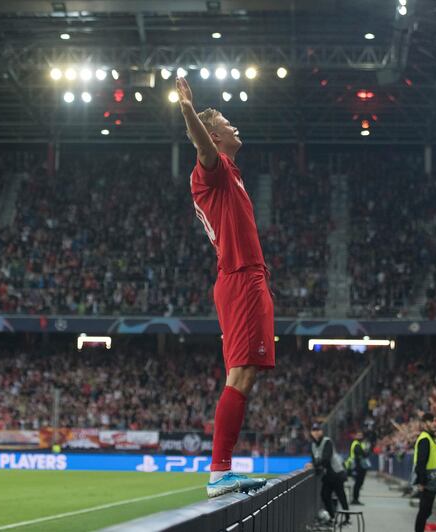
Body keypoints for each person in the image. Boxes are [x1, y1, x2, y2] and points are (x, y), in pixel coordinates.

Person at [176, 77, 275, 498]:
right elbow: (201, 146)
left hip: (245, 277)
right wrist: (188, 110)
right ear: (215, 136)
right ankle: (219, 472)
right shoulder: (210, 171)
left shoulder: (230, 173)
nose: (236, 127)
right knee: (241, 374)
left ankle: (222, 470)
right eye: (227, 124)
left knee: (245, 374)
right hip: (239, 276)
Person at [310, 423, 351, 524]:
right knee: (325, 495)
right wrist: (313, 464)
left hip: (336, 473)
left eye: (317, 430)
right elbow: (315, 459)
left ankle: (346, 518)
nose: (316, 432)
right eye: (314, 430)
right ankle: (332, 517)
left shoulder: (327, 441)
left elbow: (326, 458)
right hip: (328, 475)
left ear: (321, 431)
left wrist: (314, 465)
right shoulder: (313, 445)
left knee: (340, 495)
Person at [413, 413, 436, 532]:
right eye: (431, 421)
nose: (435, 424)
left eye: (435, 421)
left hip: (432, 481)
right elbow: (421, 462)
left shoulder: (432, 438)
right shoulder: (425, 439)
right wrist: (422, 482)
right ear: (424, 424)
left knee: (427, 511)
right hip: (427, 481)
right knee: (424, 511)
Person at [345, 430, 370, 505]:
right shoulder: (356, 444)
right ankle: (355, 499)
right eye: (358, 435)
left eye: (361, 435)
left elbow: (364, 454)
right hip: (357, 467)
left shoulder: (360, 444)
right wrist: (365, 452)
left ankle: (356, 499)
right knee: (357, 483)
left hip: (358, 466)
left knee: (358, 483)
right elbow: (362, 454)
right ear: (356, 436)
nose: (360, 437)